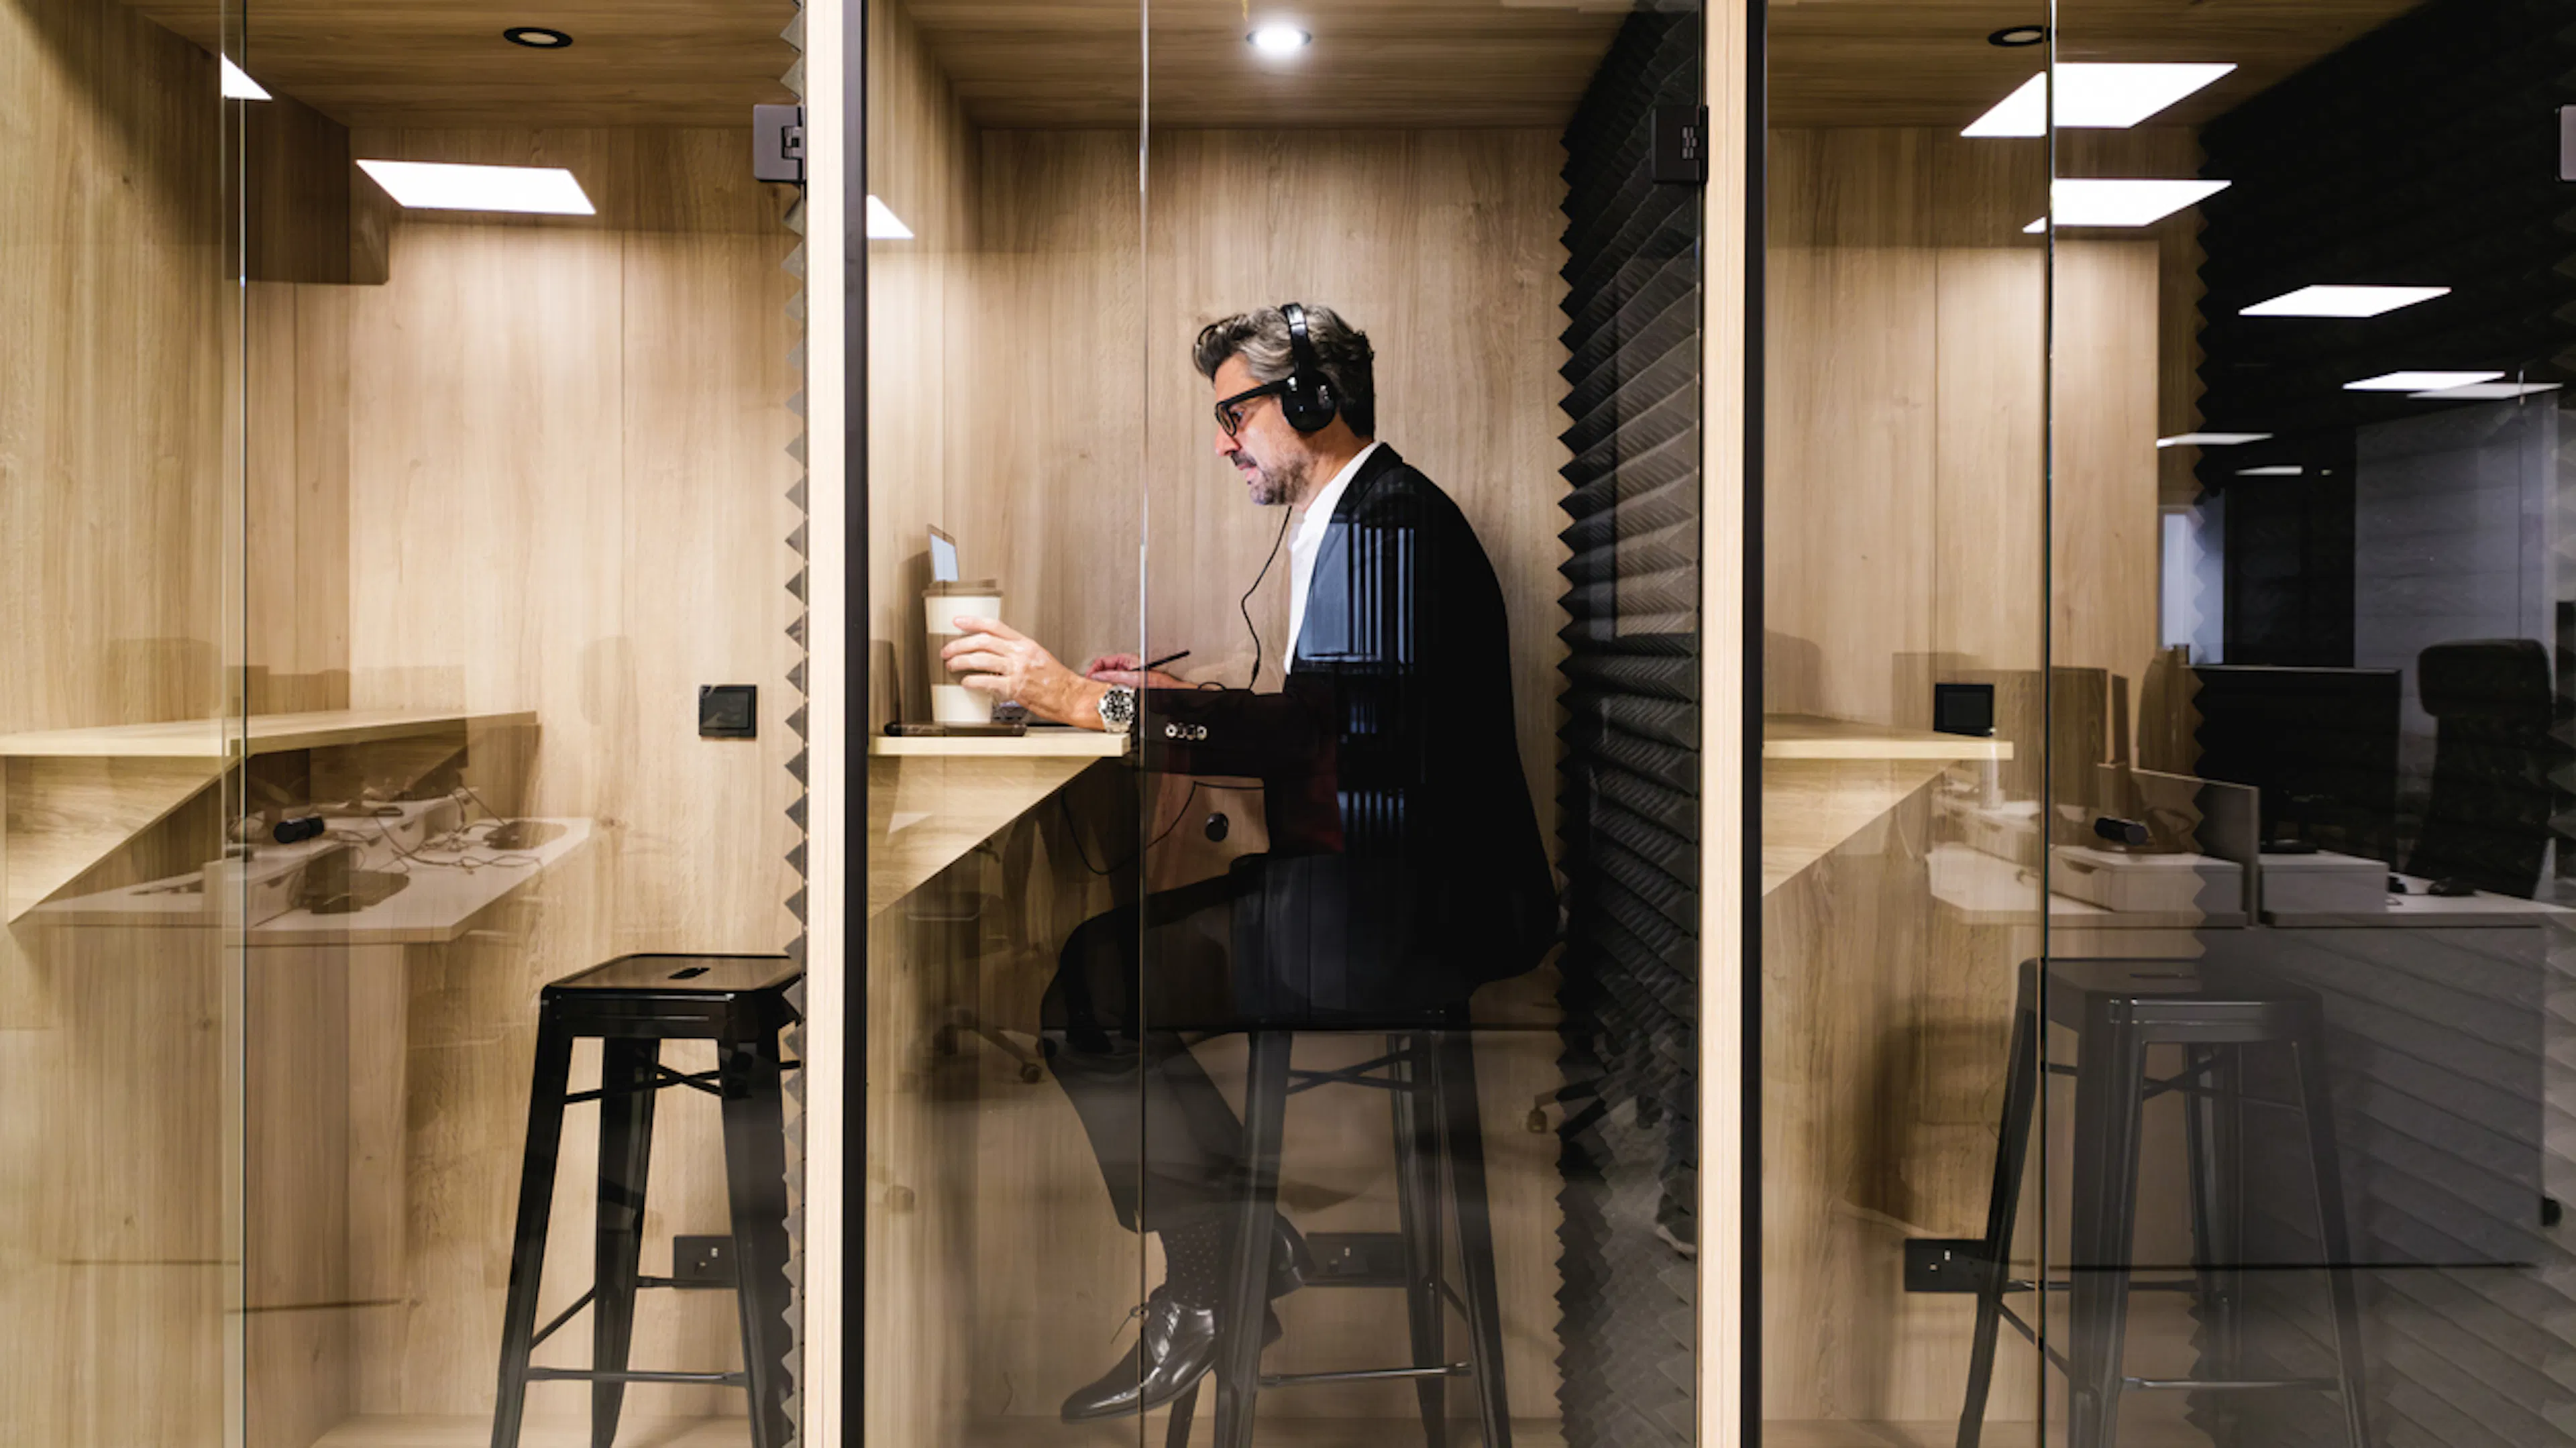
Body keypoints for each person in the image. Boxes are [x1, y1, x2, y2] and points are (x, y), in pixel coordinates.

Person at [938, 302, 1553, 1421]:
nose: (1223, 442)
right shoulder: (1365, 512)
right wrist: (1170, 697)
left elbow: (1310, 737)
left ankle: (1215, 1274)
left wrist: (1089, 702)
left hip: (1398, 915)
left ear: (1313, 401)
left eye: (1236, 414)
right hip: (1381, 891)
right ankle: (1236, 1251)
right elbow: (1342, 716)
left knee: (1093, 987)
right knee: (1099, 973)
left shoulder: (1383, 530)